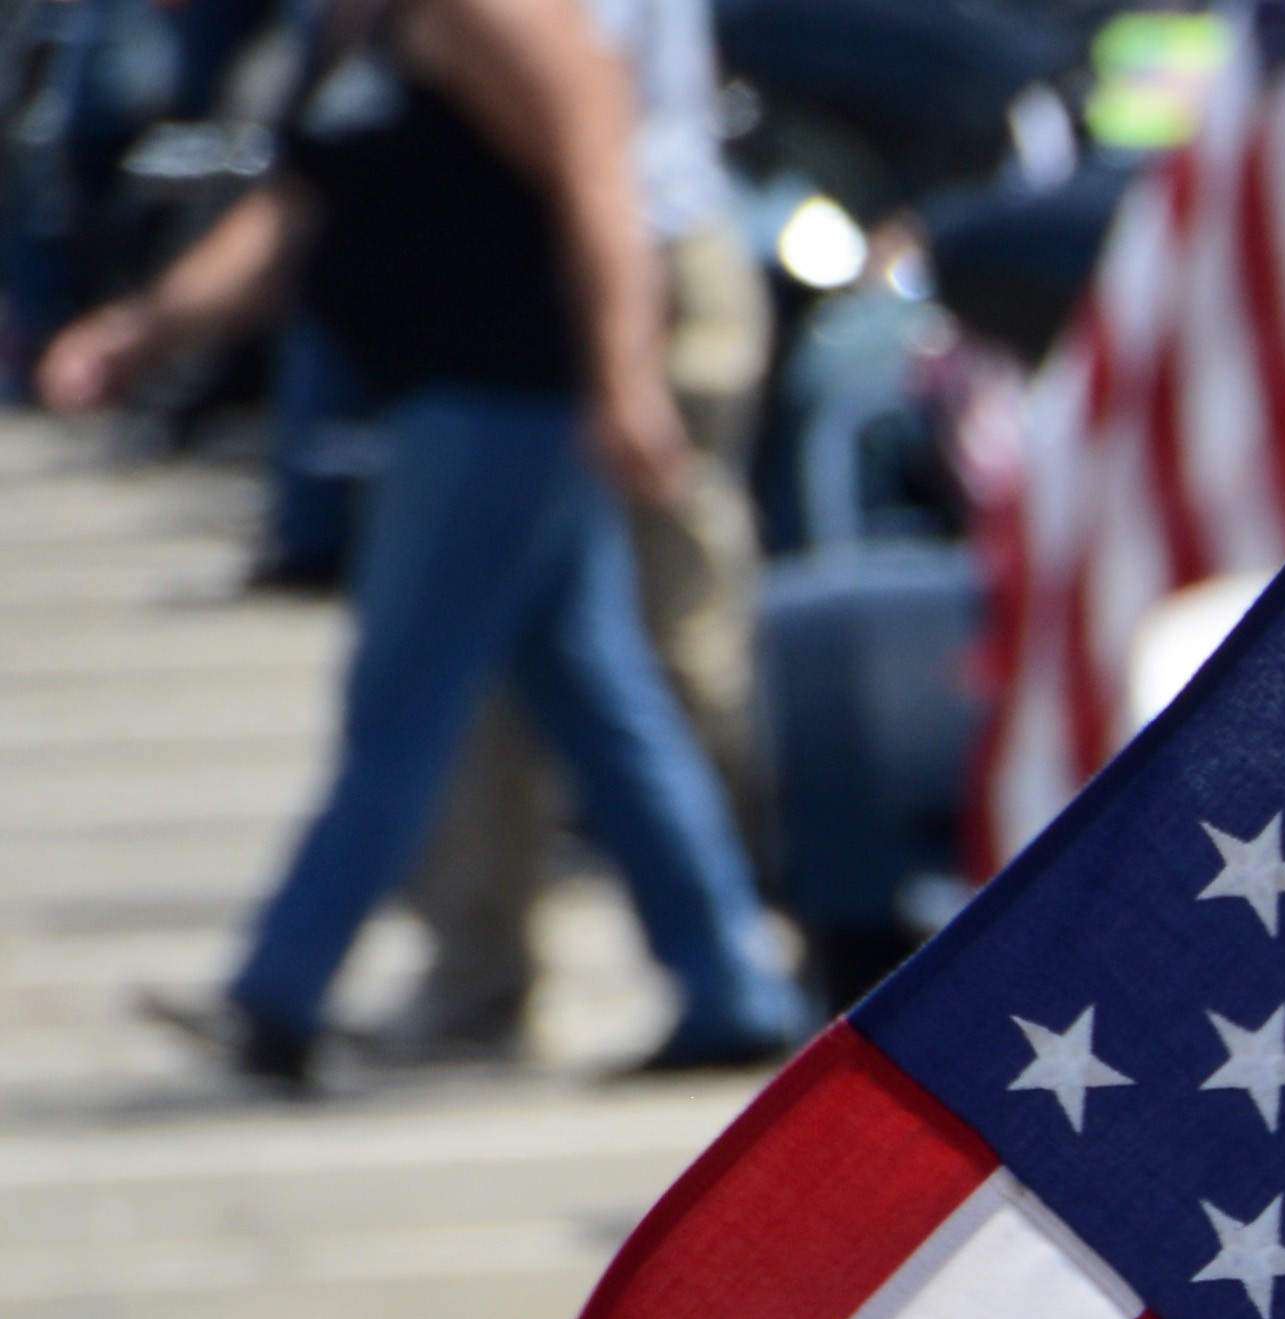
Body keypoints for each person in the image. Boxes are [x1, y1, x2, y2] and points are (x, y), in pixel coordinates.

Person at [37, 0, 801, 1089]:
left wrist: (625, 377)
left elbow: (599, 172)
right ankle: (731, 982)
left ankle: (278, 992)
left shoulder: (490, 12)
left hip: (506, 398)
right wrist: (144, 330)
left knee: (401, 698)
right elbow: (292, 214)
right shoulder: (361, 29)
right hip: (450, 398)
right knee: (598, 697)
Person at [385, 0, 746, 1059]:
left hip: (622, 267)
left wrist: (623, 371)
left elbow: (595, 137)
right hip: (572, 274)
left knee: (667, 650)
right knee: (537, 654)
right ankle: (492, 971)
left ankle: (728, 965)